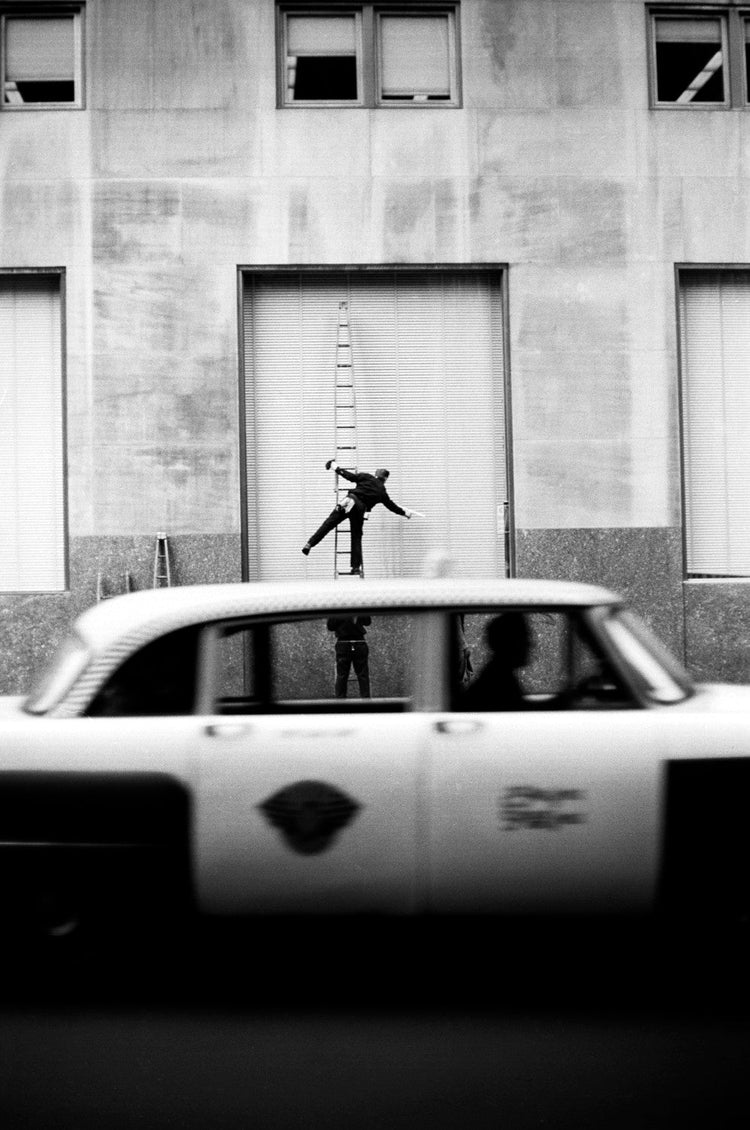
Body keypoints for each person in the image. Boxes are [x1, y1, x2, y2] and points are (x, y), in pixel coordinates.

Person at [302, 461, 417, 574]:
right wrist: (405, 513)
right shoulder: (382, 492)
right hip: (359, 509)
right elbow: (392, 507)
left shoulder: (367, 477)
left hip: (349, 501)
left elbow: (350, 477)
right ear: (385, 479)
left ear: (376, 475)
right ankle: (355, 567)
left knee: (328, 524)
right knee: (356, 536)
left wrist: (336, 468)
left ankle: (310, 544)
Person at [461, 612, 530, 712]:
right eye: (524, 638)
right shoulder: (500, 684)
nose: (530, 644)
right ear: (511, 644)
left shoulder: (499, 677)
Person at [326, 615, 371, 698]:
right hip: (359, 642)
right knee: (363, 675)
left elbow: (330, 626)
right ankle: (366, 702)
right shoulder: (360, 605)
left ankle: (340, 703)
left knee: (342, 675)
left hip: (343, 643)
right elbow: (368, 622)